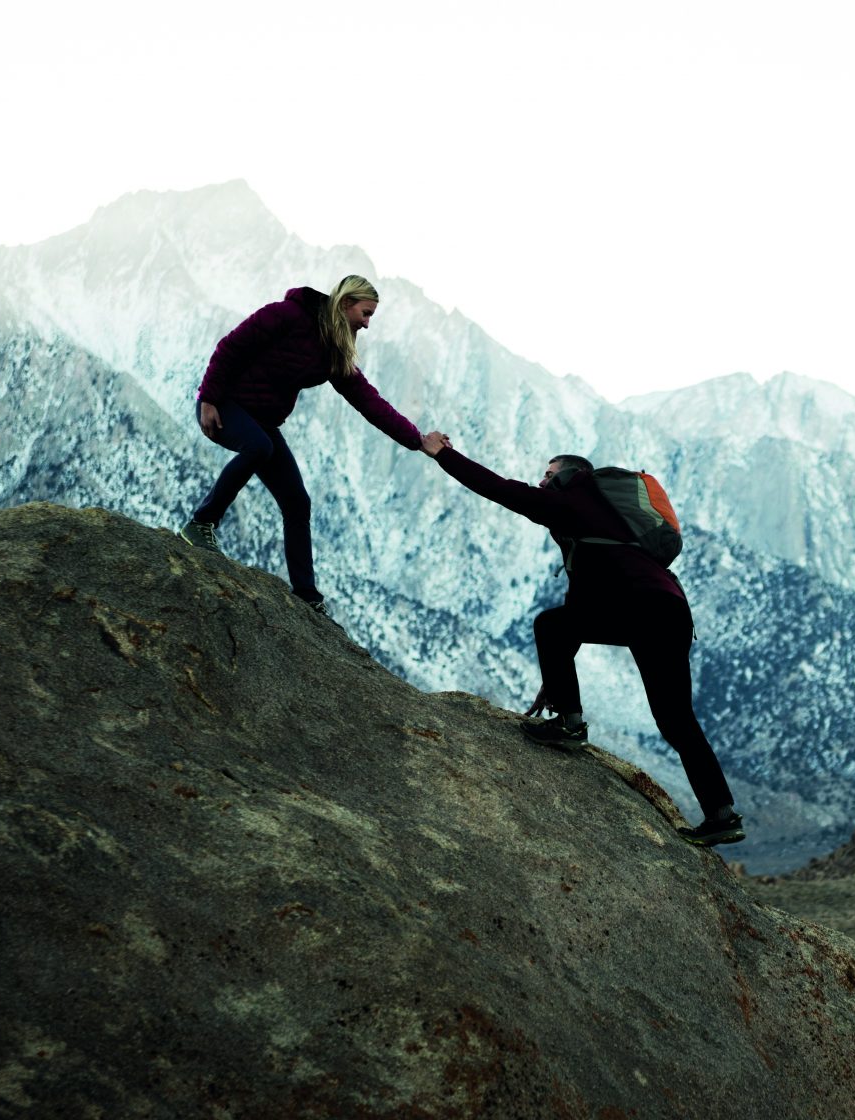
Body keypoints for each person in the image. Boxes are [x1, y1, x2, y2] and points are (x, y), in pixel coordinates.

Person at [418, 431, 745, 847]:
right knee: (676, 720)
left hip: (641, 609)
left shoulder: (572, 498)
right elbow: (579, 607)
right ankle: (722, 814)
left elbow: (499, 489)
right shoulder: (594, 516)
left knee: (549, 624)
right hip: (668, 611)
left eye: (547, 473)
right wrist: (554, 683)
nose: (541, 481)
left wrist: (443, 454)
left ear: (569, 474)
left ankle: (571, 726)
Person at [178, 276, 423, 623]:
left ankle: (307, 595)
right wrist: (209, 399)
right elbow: (230, 347)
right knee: (258, 447)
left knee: (297, 501)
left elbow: (370, 403)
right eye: (365, 313)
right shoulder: (288, 316)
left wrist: (417, 440)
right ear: (344, 303)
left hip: (262, 423)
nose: (367, 324)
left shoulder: (334, 349)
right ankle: (200, 524)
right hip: (224, 406)